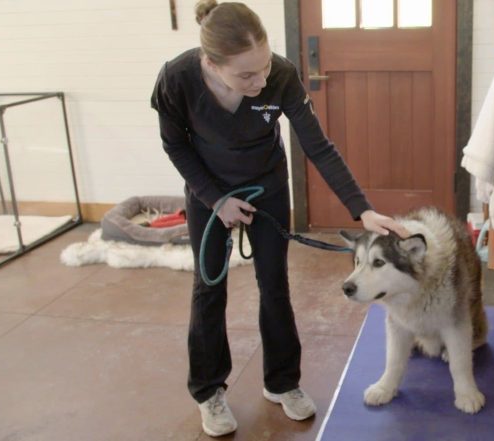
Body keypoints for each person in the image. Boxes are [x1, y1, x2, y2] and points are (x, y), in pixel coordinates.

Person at [151, 1, 407, 437]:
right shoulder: (177, 80)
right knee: (208, 289)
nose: (261, 81)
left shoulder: (282, 75)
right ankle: (208, 391)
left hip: (266, 186)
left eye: (265, 66)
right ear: (211, 64)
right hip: (208, 194)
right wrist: (216, 201)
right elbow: (176, 147)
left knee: (275, 285)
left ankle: (282, 382)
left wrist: (361, 209)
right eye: (246, 75)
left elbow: (319, 147)